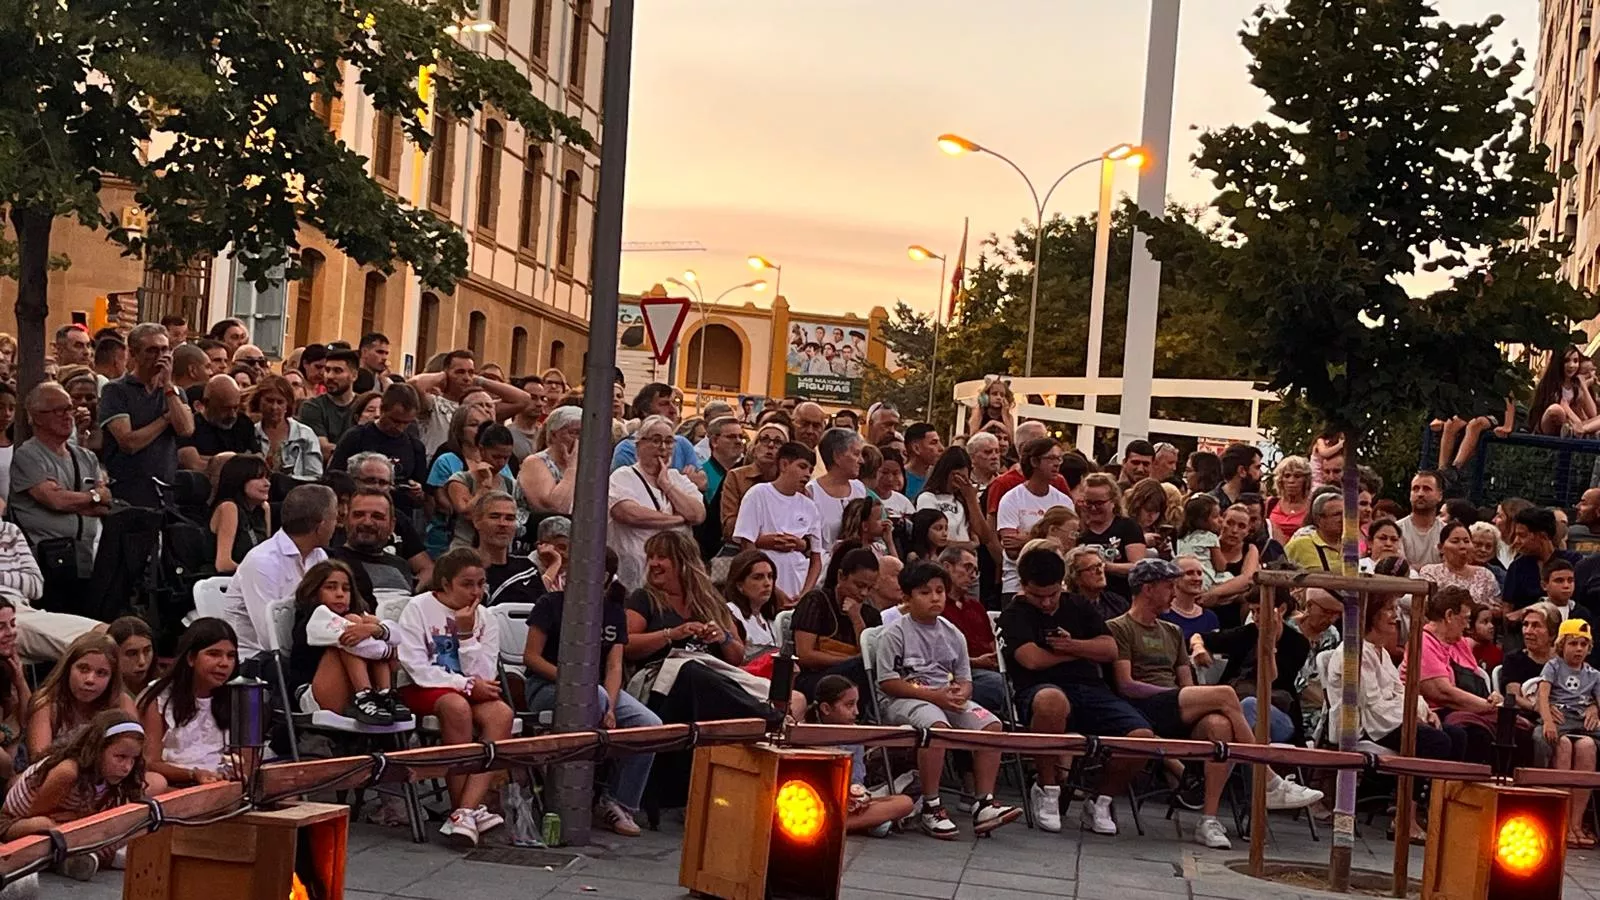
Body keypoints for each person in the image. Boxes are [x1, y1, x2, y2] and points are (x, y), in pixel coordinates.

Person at [1108, 558, 1322, 850]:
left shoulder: (1172, 631)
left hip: (1179, 706)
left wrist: (1192, 697)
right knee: (1227, 695)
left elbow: (1187, 683)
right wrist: (1178, 693)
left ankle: (1208, 820)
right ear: (1148, 589)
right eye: (1169, 586)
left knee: (1221, 726)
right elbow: (1126, 685)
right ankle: (1267, 777)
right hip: (1143, 707)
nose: (1174, 592)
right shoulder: (1119, 627)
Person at [999, 547, 1154, 834]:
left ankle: (1101, 800)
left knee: (1142, 737)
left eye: (1052, 594)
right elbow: (1032, 660)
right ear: (1023, 586)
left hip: (1091, 690)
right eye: (1038, 596)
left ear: (1062, 584)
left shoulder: (1079, 605)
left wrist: (1071, 646)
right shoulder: (1014, 614)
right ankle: (1047, 787)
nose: (1046, 603)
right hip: (1038, 690)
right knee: (1051, 701)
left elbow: (1110, 649)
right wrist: (1081, 651)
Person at [874, 560, 1021, 840]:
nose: (935, 598)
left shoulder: (953, 633)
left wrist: (961, 693)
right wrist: (932, 696)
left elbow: (965, 679)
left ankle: (984, 803)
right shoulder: (895, 633)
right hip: (905, 698)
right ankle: (931, 804)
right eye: (925, 592)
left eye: (940, 591)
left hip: (945, 696)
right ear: (907, 598)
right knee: (937, 728)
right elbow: (887, 682)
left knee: (992, 725)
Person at [522, 555, 659, 837]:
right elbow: (532, 657)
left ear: (605, 578)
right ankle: (573, 787)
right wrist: (574, 682)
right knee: (592, 696)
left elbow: (614, 665)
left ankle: (619, 801)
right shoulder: (550, 604)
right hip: (547, 685)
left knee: (649, 724)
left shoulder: (614, 612)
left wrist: (611, 706)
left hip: (598, 690)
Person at [1325, 592, 1466, 842]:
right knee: (1434, 742)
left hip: (1389, 718)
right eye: (1389, 609)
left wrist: (1424, 711)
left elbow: (1400, 691)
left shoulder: (1380, 653)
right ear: (1372, 614)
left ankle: (1435, 810)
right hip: (1364, 726)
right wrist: (1413, 717)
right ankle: (1404, 818)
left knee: (1457, 735)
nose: (1395, 616)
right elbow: (1373, 706)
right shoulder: (1354, 653)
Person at [395, 548, 513, 845]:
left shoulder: (485, 617)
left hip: (468, 687)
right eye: (467, 584)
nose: (476, 592)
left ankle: (464, 811)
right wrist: (466, 686)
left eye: (481, 584)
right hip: (424, 686)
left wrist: (466, 635)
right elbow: (416, 667)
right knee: (456, 706)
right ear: (446, 583)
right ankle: (466, 810)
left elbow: (483, 673)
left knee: (502, 714)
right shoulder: (418, 608)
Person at [0, 710, 147, 881]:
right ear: (98, 749)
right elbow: (35, 814)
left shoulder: (111, 777)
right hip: (16, 823)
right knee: (45, 825)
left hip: (69, 826)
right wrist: (80, 825)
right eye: (120, 757)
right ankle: (64, 857)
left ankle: (71, 858)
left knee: (117, 834)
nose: (127, 767)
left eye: (133, 759)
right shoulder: (68, 772)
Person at [11, 382, 112, 609]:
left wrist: (77, 500)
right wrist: (92, 498)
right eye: (58, 410)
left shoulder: (86, 457)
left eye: (69, 408)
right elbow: (55, 501)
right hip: (48, 566)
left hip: (88, 563)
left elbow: (105, 504)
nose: (68, 416)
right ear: (37, 417)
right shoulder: (28, 455)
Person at [222, 484, 337, 659]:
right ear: (320, 525)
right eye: (334, 518)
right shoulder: (262, 562)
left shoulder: (319, 556)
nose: (336, 525)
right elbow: (271, 639)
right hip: (255, 657)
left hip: (302, 646)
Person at [286, 560, 406, 726]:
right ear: (314, 591)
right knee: (352, 628)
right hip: (314, 696)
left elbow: (399, 637)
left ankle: (385, 695)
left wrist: (376, 629)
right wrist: (382, 642)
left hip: (351, 691)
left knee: (366, 622)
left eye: (346, 589)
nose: (340, 594)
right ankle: (364, 696)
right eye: (330, 588)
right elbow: (375, 648)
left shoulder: (361, 619)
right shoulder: (314, 620)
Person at [1410, 585, 1511, 765]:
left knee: (1516, 730)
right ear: (1449, 616)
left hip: (1469, 709)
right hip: (1438, 711)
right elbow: (1443, 693)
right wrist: (1487, 706)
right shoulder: (1423, 642)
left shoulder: (1460, 643)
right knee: (1477, 735)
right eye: (1465, 619)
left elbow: (1476, 680)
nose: (1467, 626)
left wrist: (1492, 697)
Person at [806, 675, 917, 835]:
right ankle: (832, 826)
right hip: (813, 801)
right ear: (826, 709)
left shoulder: (855, 734)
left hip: (846, 801)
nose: (856, 712)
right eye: (849, 705)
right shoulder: (806, 733)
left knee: (904, 803)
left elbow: (857, 780)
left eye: (856, 704)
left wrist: (859, 796)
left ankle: (851, 823)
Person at [99, 323, 194, 507]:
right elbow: (129, 443)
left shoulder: (175, 393)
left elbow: (186, 429)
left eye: (165, 350)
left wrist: (168, 386)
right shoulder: (116, 390)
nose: (160, 356)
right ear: (134, 354)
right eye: (152, 350)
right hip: (127, 491)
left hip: (165, 489)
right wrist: (165, 419)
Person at [137, 618, 236, 787]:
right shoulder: (158, 698)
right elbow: (150, 762)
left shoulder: (237, 697)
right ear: (191, 658)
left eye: (231, 656)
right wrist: (193, 775)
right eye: (214, 654)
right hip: (172, 785)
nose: (224, 663)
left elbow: (246, 760)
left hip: (221, 784)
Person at [1536, 619, 1600, 846]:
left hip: (1582, 724)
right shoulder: (1553, 666)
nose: (1579, 649)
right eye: (1573, 644)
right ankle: (1559, 821)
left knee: (1587, 747)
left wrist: (1595, 708)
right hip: (1559, 721)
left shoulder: (1594, 674)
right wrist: (1547, 721)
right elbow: (1542, 696)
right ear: (1562, 645)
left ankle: (1576, 823)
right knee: (1562, 746)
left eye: (1584, 644)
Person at [733, 441, 822, 599]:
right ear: (784, 465)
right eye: (802, 467)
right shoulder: (758, 494)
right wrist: (774, 591)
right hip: (764, 591)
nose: (807, 474)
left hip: (798, 588)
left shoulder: (810, 506)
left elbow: (816, 559)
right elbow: (747, 546)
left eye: (810, 470)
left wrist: (805, 594)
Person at [25, 633, 135, 760]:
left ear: (112, 678)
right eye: (83, 669)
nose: (90, 680)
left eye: (101, 673)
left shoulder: (121, 702)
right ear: (68, 668)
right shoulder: (47, 703)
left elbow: (133, 751)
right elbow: (39, 759)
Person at [792, 545, 882, 699]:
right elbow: (804, 655)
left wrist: (856, 619)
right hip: (814, 678)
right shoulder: (816, 602)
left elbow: (872, 659)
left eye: (870, 588)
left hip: (854, 677)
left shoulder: (871, 614)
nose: (863, 593)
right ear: (841, 576)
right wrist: (848, 661)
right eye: (859, 586)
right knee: (859, 667)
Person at [329, 384, 431, 517]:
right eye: (395, 421)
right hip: (358, 511)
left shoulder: (415, 446)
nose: (400, 427)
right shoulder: (356, 437)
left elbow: (422, 497)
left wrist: (417, 492)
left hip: (398, 515)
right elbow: (334, 479)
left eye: (406, 423)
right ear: (382, 410)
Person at [995, 437, 1075, 598]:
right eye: (1051, 458)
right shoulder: (1011, 499)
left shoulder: (1064, 501)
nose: (1057, 463)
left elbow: (1069, 545)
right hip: (1017, 585)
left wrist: (1028, 539)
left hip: (1055, 587)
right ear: (1034, 461)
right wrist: (1052, 540)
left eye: (1059, 458)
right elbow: (1011, 549)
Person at [409, 350, 530, 455]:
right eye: (460, 372)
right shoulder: (433, 404)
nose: (466, 378)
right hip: (438, 466)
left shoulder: (481, 407)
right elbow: (414, 384)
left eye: (470, 372)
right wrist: (442, 376)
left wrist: (479, 380)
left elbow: (523, 399)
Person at [342, 453, 433, 587]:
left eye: (383, 482)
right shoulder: (335, 517)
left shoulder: (400, 520)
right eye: (369, 480)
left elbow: (426, 568)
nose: (376, 487)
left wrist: (410, 593)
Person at [441, 423, 522, 553]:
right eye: (496, 457)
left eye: (506, 458)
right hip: (465, 550)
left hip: (498, 552)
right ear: (481, 450)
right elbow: (468, 513)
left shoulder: (510, 484)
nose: (501, 463)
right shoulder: (461, 480)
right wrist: (484, 486)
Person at [1076, 473, 1148, 600]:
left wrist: (1106, 566)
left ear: (1113, 502)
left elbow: (1138, 567)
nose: (1093, 508)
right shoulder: (1078, 529)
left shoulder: (1128, 527)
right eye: (1088, 503)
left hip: (1121, 598)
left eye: (1099, 503)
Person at [915, 446, 994, 559]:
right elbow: (931, 539)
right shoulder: (928, 498)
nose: (960, 480)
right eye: (956, 475)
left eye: (964, 477)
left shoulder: (967, 499)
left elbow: (984, 537)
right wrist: (967, 545)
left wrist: (971, 499)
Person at [609, 383, 702, 474]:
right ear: (644, 411)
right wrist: (684, 479)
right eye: (664, 404)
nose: (673, 410)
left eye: (675, 403)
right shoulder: (626, 449)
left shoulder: (682, 444)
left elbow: (702, 480)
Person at [719, 422, 786, 546]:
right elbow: (729, 527)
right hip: (741, 547)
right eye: (764, 439)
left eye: (778, 442)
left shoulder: (790, 481)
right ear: (754, 449)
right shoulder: (736, 476)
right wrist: (765, 540)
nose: (771, 445)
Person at [1505, 507, 1583, 612]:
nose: (1516, 541)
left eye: (1522, 535)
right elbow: (1508, 609)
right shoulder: (1517, 566)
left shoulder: (1573, 561)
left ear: (1543, 536)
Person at [178, 374, 260, 472]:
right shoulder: (191, 426)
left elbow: (257, 460)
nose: (232, 414)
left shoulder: (243, 423)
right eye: (225, 409)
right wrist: (240, 460)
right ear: (206, 403)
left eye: (235, 408)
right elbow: (193, 464)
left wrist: (211, 460)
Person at [208, 454, 272, 575]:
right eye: (259, 478)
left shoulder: (264, 508)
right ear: (240, 480)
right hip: (227, 580)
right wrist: (262, 573)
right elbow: (223, 564)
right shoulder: (229, 507)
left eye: (267, 478)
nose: (267, 483)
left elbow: (267, 556)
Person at [247, 374, 320, 480]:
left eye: (280, 402)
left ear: (287, 404)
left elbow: (315, 476)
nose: (274, 407)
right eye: (269, 401)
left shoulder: (304, 435)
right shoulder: (250, 433)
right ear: (259, 401)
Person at [808, 428, 868, 557]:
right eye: (856, 454)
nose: (861, 461)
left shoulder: (859, 488)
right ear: (837, 456)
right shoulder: (811, 492)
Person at [1420, 521, 1501, 609]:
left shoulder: (1486, 575)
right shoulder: (1430, 572)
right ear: (1441, 547)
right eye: (1455, 541)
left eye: (1466, 541)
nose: (1463, 546)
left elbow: (1496, 608)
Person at [694, 415, 745, 556]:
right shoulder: (700, 474)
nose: (738, 441)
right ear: (715, 441)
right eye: (731, 437)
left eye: (741, 437)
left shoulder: (744, 476)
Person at [722, 549, 786, 651]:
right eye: (758, 577)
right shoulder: (730, 613)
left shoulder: (768, 618)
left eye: (770, 576)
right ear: (739, 585)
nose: (767, 583)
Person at [1529, 344, 1594, 434]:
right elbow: (1562, 405)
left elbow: (1592, 414)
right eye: (1567, 361)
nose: (1571, 365)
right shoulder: (1551, 383)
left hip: (1573, 425)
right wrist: (1577, 421)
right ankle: (1576, 430)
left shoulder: (1576, 385)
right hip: (1550, 425)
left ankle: (1579, 431)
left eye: (1575, 361)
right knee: (1556, 409)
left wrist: (1583, 385)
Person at [1161, 556, 1220, 643]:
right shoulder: (1162, 614)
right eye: (1189, 573)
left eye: (1199, 573)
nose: (1197, 578)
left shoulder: (1210, 617)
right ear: (1174, 578)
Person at [1174, 494, 1227, 588]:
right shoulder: (1210, 537)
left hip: (1182, 577)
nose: (1221, 520)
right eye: (1215, 517)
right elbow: (1220, 566)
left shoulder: (1181, 537)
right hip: (1204, 577)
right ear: (1201, 521)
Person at [1285, 490, 1345, 573]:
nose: (1343, 519)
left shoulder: (1351, 544)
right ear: (1319, 519)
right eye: (1337, 514)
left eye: (1345, 514)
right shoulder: (1300, 544)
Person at [1398, 470, 1445, 567]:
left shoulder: (1447, 533)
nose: (1420, 494)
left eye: (1427, 489)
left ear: (1440, 496)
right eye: (1415, 489)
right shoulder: (1396, 530)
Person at [1265, 456, 1311, 544]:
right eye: (1287, 476)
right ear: (1280, 480)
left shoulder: (1312, 506)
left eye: (1297, 476)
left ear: (1306, 480)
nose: (1291, 480)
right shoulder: (1270, 503)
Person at [108, 616, 154, 701]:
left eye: (147, 651)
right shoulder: (101, 693)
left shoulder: (164, 687)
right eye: (132, 654)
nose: (142, 661)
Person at [1211, 444, 1262, 509]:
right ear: (1242, 471)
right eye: (1257, 468)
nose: (1261, 474)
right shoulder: (1210, 505)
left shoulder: (1257, 502)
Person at [901, 423, 943, 500]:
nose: (941, 448)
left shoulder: (940, 477)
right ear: (916, 448)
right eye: (933, 443)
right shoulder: (899, 478)